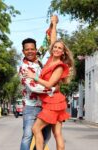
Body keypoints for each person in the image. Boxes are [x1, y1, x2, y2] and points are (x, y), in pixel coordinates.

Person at [24, 39, 74, 150]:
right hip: (54, 100)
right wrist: (54, 24)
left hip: (53, 102)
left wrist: (34, 76)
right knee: (57, 134)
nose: (56, 49)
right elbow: (53, 37)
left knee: (36, 129)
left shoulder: (59, 66)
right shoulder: (50, 60)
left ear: (63, 52)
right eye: (55, 47)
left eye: (60, 48)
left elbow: (50, 84)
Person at [19, 15, 59, 150]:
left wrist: (53, 25)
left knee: (46, 136)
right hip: (31, 107)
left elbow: (48, 40)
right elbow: (34, 88)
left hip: (46, 106)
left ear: (35, 49)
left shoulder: (39, 60)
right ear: (23, 51)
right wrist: (52, 89)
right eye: (27, 49)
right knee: (27, 135)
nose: (30, 51)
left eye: (32, 49)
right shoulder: (24, 68)